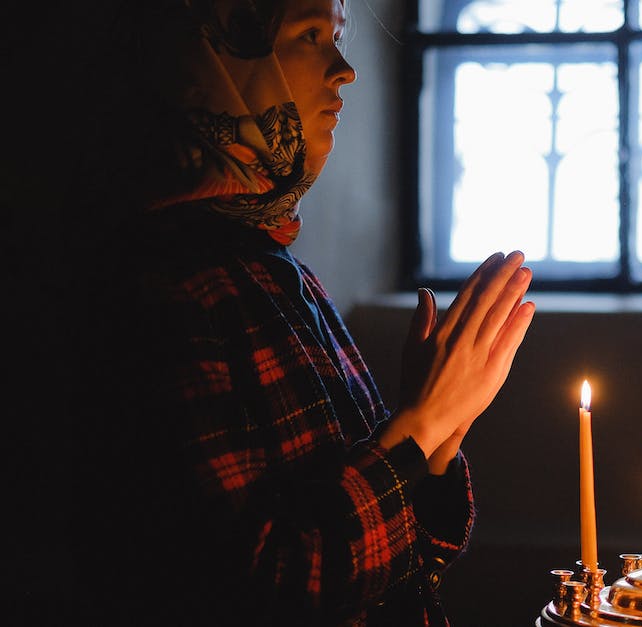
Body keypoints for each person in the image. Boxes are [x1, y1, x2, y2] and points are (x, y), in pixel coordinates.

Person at [62, 0, 536, 625]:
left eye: (336, 37)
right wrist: (422, 423)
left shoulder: (275, 269)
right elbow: (279, 585)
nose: (344, 70)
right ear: (221, 58)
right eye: (310, 35)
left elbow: (414, 559)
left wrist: (440, 436)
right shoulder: (170, 286)